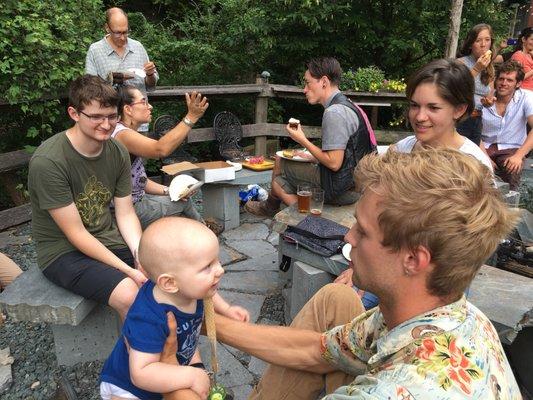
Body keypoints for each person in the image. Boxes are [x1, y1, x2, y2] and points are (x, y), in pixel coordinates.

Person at [160, 149, 521, 400]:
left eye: (362, 232)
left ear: (414, 259)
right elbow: (321, 349)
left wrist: (172, 378)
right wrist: (202, 322)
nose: (347, 237)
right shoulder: (453, 317)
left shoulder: (390, 392)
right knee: (335, 297)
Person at [336, 58, 494, 296]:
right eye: (414, 105)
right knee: (341, 300)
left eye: (433, 107)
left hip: (437, 286)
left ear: (459, 110)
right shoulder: (403, 149)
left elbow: (470, 249)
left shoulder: (474, 167)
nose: (420, 117)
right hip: (389, 266)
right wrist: (357, 267)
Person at [28, 75, 145, 320]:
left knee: (169, 275)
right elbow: (76, 234)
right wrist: (129, 270)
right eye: (96, 117)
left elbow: (125, 213)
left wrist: (139, 254)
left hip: (106, 238)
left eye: (112, 116)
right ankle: (139, 358)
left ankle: (183, 355)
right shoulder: (49, 161)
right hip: (62, 252)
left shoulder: (117, 151)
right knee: (129, 294)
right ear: (74, 113)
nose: (106, 124)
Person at [100, 217, 250, 400]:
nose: (220, 270)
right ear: (170, 282)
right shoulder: (149, 318)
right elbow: (140, 373)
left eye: (217, 261)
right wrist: (191, 376)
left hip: (170, 370)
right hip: (128, 389)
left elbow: (208, 293)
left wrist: (226, 309)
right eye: (207, 266)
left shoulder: (188, 288)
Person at [245, 57, 376, 217]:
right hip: (355, 184)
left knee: (280, 163)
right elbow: (348, 155)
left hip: (340, 188)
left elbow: (334, 163)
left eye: (307, 83)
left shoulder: (334, 113)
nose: (304, 89)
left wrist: (302, 139)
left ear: (324, 81)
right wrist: (311, 157)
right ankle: (288, 209)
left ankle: (277, 208)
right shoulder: (349, 105)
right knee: (279, 183)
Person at [113, 85, 208, 228]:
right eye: (143, 102)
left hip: (131, 202)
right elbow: (160, 149)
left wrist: (170, 191)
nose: (150, 106)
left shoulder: (122, 132)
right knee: (184, 205)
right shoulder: (122, 134)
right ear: (128, 109)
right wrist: (191, 117)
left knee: (179, 201)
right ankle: (205, 232)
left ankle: (200, 230)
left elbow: (140, 181)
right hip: (124, 210)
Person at [85, 7, 158, 132]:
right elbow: (89, 87)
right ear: (107, 28)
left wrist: (150, 74)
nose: (123, 37)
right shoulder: (95, 50)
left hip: (139, 123)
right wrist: (113, 79)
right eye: (118, 33)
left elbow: (151, 85)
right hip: (109, 124)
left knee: (142, 151)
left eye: (126, 32)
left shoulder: (138, 47)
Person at [481, 60, 533, 190]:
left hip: (511, 147)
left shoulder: (526, 97)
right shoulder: (484, 98)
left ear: (518, 83)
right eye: (501, 79)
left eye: (509, 80)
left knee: (513, 168)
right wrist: (484, 157)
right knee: (476, 170)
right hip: (483, 145)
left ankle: (508, 206)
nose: (503, 83)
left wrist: (519, 155)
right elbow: (472, 132)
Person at [455, 23, 496, 145]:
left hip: (477, 119)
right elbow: (455, 87)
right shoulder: (460, 63)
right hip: (460, 118)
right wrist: (477, 68)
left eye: (487, 40)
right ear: (471, 44)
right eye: (478, 40)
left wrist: (489, 103)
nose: (483, 44)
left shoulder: (490, 68)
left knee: (472, 161)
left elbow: (488, 97)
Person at [511, 27, 533, 91]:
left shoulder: (530, 55)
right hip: (523, 92)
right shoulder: (518, 55)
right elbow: (515, 78)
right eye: (532, 39)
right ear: (523, 39)